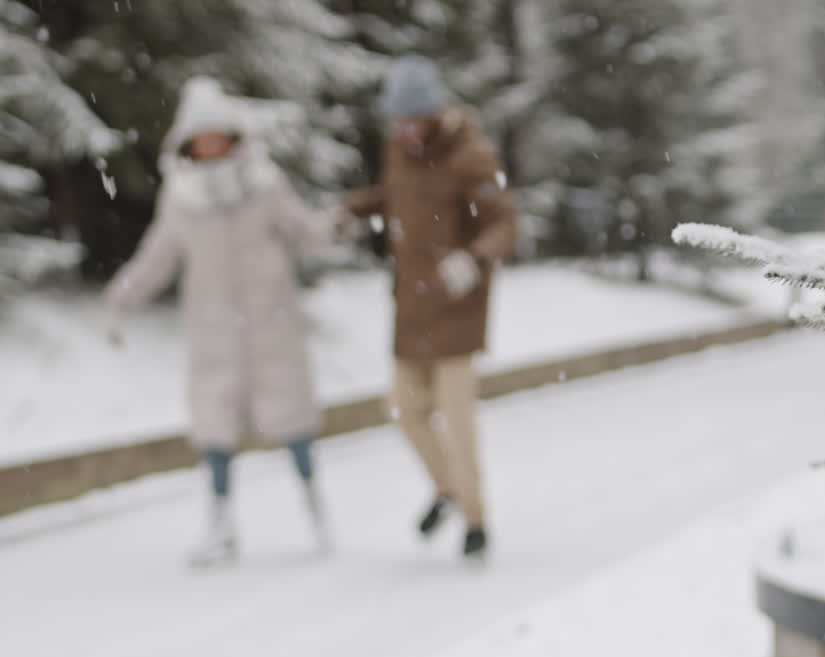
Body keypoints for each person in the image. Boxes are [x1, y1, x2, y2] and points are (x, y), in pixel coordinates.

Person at [104, 77, 344, 567]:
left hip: (271, 326)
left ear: (234, 137)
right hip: (214, 331)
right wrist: (122, 300)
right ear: (189, 143)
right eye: (202, 137)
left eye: (218, 135)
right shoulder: (180, 201)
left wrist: (338, 225)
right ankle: (220, 525)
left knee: (294, 422)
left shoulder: (265, 186)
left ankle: (315, 509)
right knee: (215, 430)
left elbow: (305, 230)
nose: (210, 145)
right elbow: (157, 258)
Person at [345, 56, 517, 558]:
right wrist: (352, 211)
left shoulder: (473, 157)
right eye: (398, 121)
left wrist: (475, 257)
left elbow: (505, 222)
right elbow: (395, 198)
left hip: (457, 309)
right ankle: (447, 487)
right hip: (411, 306)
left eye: (414, 119)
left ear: (434, 113)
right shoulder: (397, 152)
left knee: (457, 419)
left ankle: (475, 520)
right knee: (402, 408)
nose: (406, 130)